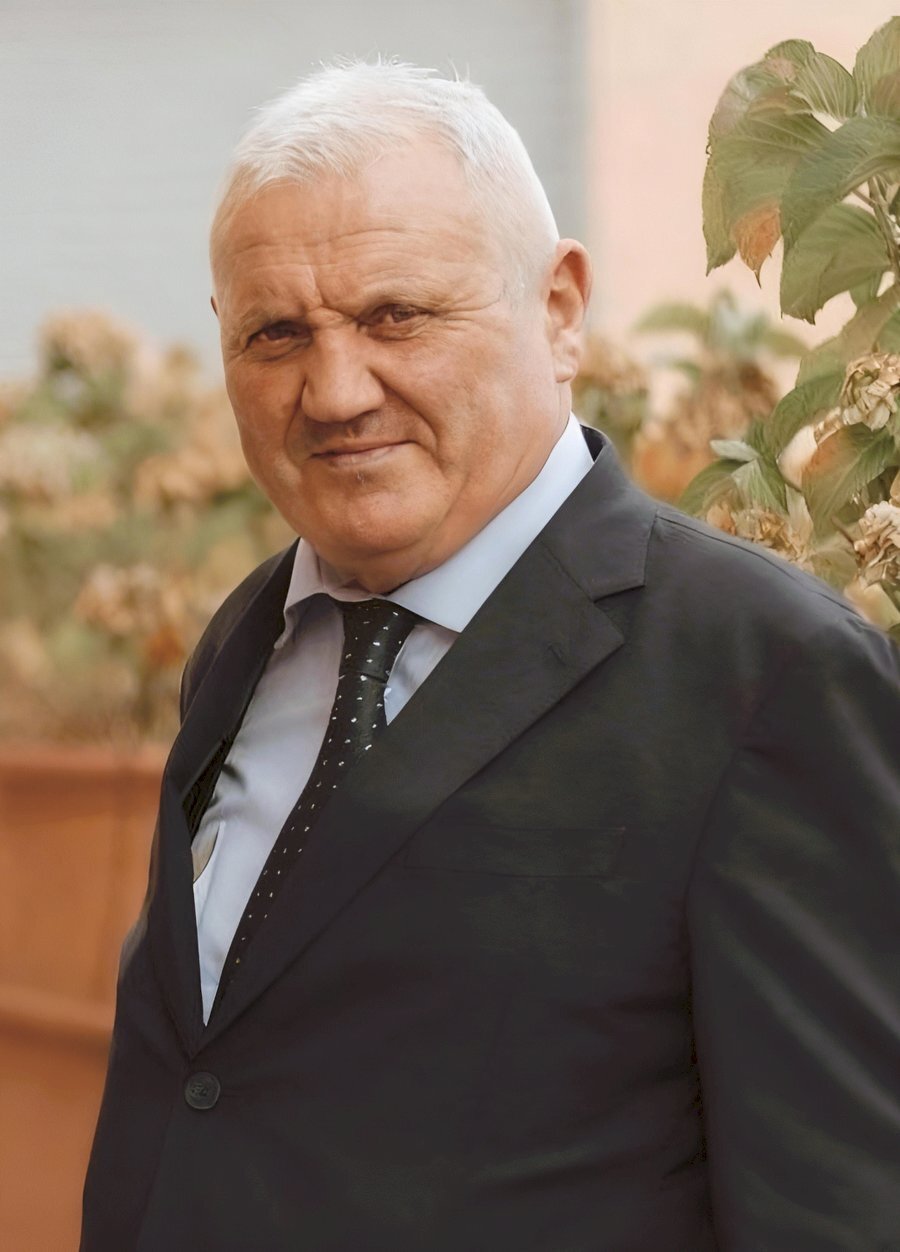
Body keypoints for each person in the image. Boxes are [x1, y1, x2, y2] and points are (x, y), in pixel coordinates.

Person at [81, 61, 900, 1251]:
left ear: (560, 310)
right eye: (276, 334)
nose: (335, 390)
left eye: (396, 316)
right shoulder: (251, 635)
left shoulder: (766, 675)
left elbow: (836, 1206)